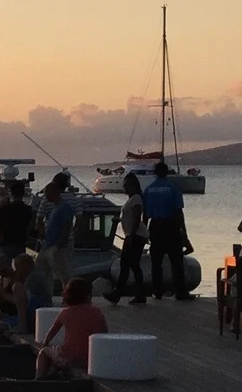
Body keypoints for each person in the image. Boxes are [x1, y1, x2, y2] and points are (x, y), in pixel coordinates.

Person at [36, 278, 109, 378]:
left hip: (68, 357)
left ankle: (39, 377)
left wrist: (45, 344)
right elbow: (104, 333)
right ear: (87, 296)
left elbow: (52, 331)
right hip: (88, 359)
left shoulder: (65, 312)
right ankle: (51, 374)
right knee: (57, 358)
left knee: (44, 352)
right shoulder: (97, 312)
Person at [141, 161, 194, 300]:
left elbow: (145, 214)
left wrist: (143, 232)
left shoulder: (148, 190)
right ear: (167, 172)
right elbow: (178, 212)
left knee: (156, 262)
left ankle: (157, 291)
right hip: (170, 226)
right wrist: (184, 233)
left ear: (155, 173)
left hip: (155, 226)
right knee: (176, 260)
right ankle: (181, 292)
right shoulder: (173, 189)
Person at [104, 171, 148, 305]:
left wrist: (131, 236)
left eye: (127, 185)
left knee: (131, 265)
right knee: (129, 265)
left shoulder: (136, 199)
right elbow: (129, 218)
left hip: (136, 236)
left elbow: (136, 219)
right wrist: (120, 220)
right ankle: (122, 293)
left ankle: (125, 293)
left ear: (133, 186)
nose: (124, 187)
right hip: (132, 235)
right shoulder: (131, 199)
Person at [36, 181, 75, 287]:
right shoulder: (56, 207)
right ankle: (45, 292)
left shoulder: (64, 208)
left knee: (63, 273)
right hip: (48, 244)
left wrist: (59, 245)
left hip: (56, 246)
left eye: (47, 194)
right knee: (41, 269)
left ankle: (68, 294)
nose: (46, 196)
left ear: (54, 193)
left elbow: (67, 227)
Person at [0, 180, 33, 269]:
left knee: (2, 270)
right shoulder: (28, 210)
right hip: (20, 244)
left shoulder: (5, 209)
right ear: (23, 193)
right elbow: (29, 228)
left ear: (11, 193)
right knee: (20, 270)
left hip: (6, 244)